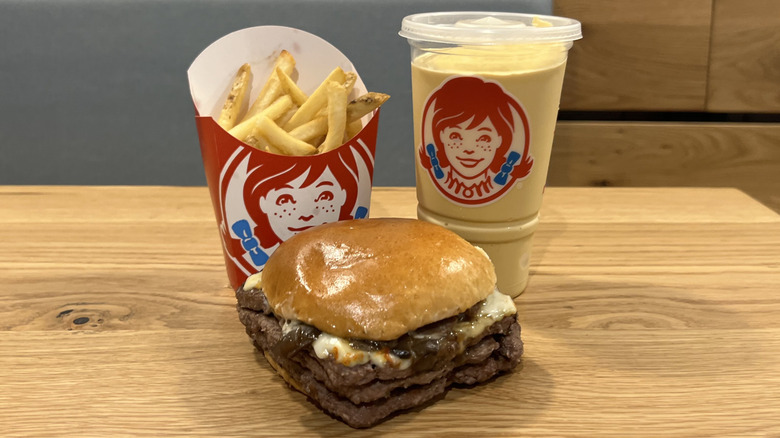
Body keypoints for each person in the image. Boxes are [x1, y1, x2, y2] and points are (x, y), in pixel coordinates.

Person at [419, 76, 533, 204]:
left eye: (484, 138)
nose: (468, 149)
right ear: (441, 136)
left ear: (500, 140)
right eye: (455, 136)